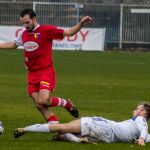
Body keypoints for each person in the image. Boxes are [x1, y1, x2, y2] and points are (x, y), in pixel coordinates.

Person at [0, 9, 92, 124]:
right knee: (40, 105)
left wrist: (81, 24)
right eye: (23, 23)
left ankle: (66, 104)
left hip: (45, 71)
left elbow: (69, 33)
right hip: (32, 74)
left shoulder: (46, 30)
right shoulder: (23, 34)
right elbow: (13, 45)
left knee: (44, 100)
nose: (25, 25)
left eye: (27, 22)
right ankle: (57, 129)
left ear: (34, 19)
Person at [14, 102, 150, 146]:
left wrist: (142, 139)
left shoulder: (140, 121)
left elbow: (143, 130)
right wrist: (144, 138)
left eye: (137, 108)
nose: (135, 110)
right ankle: (78, 139)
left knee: (60, 128)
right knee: (61, 135)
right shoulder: (136, 125)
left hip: (101, 125)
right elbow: (146, 134)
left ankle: (26, 129)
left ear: (143, 112)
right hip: (106, 138)